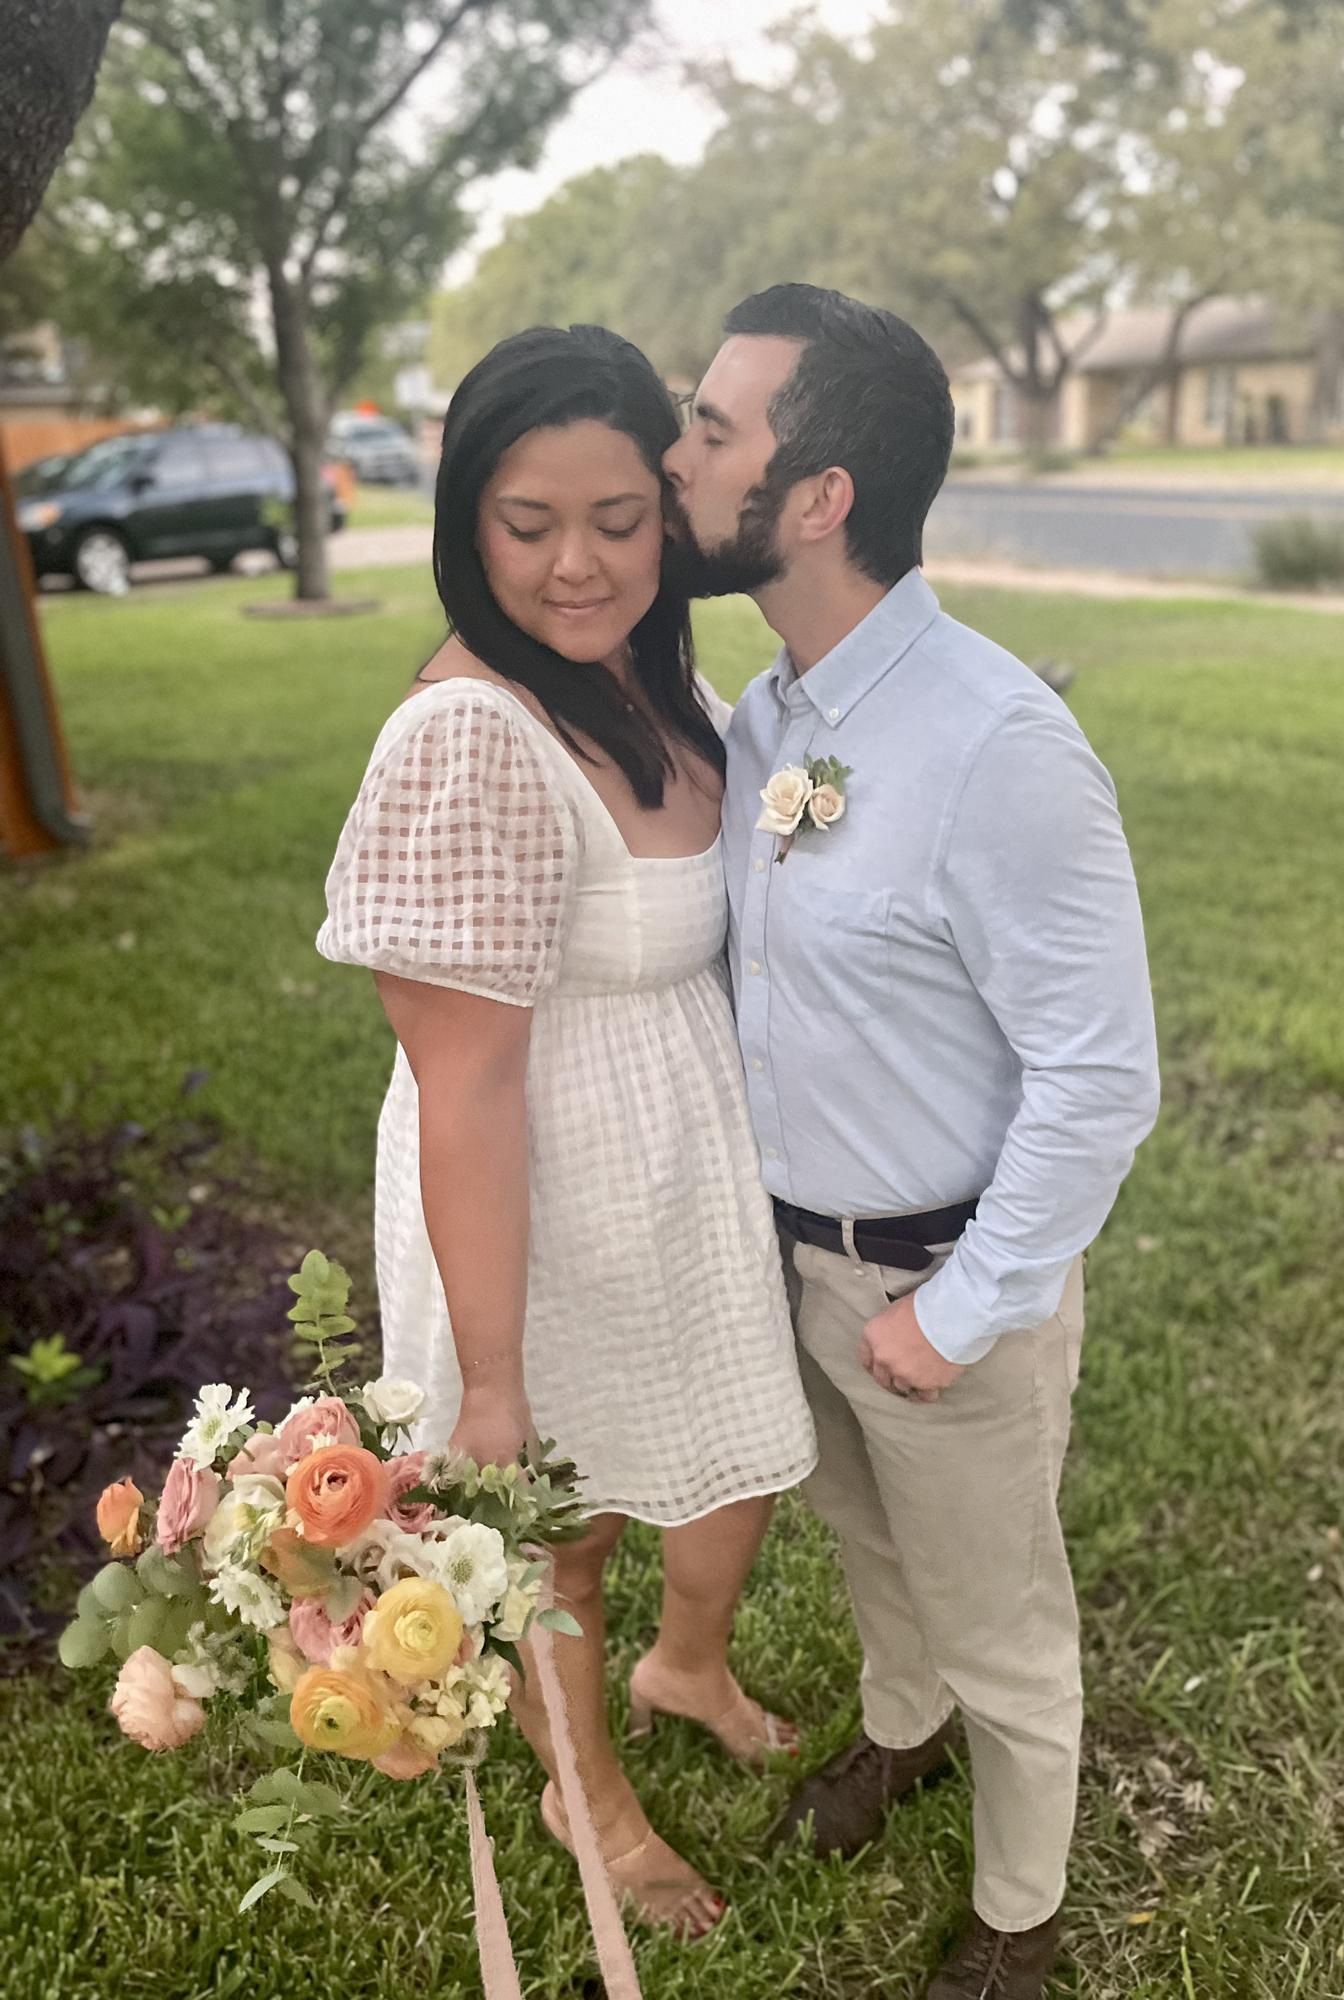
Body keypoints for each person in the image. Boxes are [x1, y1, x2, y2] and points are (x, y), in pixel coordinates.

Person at [662, 285, 1160, 1998]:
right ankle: (902, 1732)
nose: (675, 457)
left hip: (947, 1285)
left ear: (819, 498)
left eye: (709, 430)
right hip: (796, 1261)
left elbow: (1101, 1078)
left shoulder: (997, 745)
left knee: (1001, 1618)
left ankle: (1020, 1910)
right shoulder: (767, 715)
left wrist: (957, 1311)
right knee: (876, 1557)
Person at [317, 324, 817, 1937]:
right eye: (528, 525)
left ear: (668, 516)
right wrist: (495, 1376)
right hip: (536, 1189)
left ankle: (686, 1669)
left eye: (618, 519)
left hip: (680, 1164)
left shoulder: (655, 681)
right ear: (468, 521)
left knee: (728, 1462)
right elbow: (463, 1083)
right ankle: (585, 1798)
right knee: (568, 1529)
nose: (577, 564)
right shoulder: (469, 735)